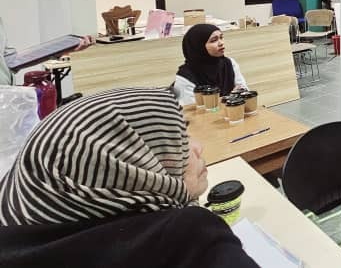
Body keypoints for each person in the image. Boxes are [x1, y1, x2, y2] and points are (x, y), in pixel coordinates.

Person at [0, 87, 258, 267]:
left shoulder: (20, 237)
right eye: (179, 138)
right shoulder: (185, 237)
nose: (197, 147)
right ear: (129, 167)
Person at [171, 24, 249, 106]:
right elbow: (192, 109)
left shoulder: (229, 63)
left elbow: (244, 93)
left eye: (221, 37)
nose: (221, 43)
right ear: (199, 46)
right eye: (213, 40)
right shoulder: (185, 76)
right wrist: (230, 98)